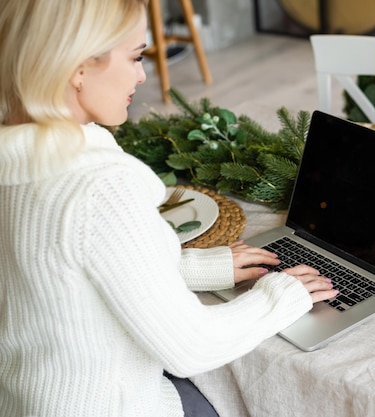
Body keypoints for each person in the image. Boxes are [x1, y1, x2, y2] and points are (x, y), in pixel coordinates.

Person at [0, 1, 337, 416]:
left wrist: (200, 266)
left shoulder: (16, 154)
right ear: (78, 67)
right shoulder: (98, 188)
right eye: (135, 56)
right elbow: (193, 346)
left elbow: (70, 274)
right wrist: (284, 294)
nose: (143, 75)